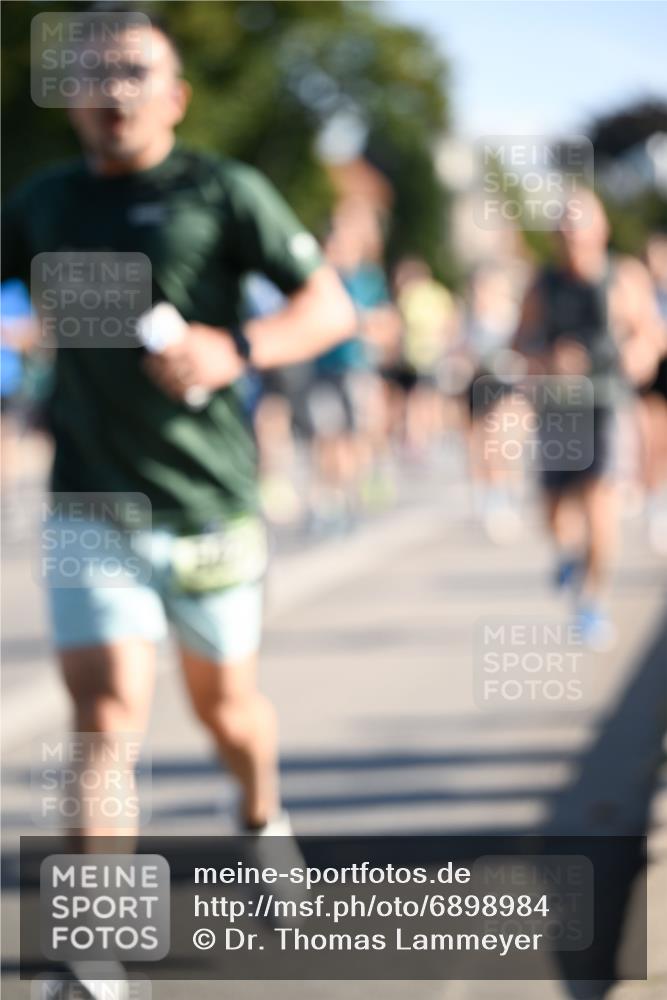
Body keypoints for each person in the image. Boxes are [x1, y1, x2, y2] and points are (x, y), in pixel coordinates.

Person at [2, 6, 355, 860]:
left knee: (225, 711)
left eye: (135, 74)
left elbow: (330, 308)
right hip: (91, 501)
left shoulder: (224, 190)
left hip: (208, 505)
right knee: (105, 716)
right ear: (71, 97)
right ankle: (94, 961)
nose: (113, 92)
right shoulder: (43, 203)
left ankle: (262, 814)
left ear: (176, 96)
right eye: (95, 76)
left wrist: (233, 349)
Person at [514, 190, 663, 646]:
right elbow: (519, 343)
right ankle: (567, 555)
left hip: (605, 404)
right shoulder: (543, 284)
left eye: (580, 228)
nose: (572, 237)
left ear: (601, 231)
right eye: (565, 230)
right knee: (556, 513)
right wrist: (548, 359)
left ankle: (593, 603)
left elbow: (650, 339)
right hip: (558, 406)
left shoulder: (623, 278)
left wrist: (633, 358)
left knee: (601, 502)